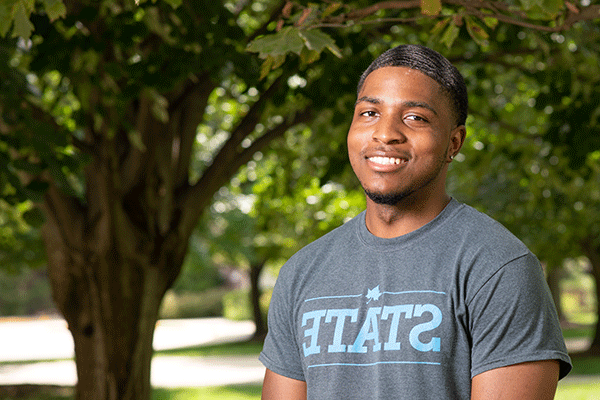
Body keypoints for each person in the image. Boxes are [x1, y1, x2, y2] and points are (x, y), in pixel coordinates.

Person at [259, 44, 571, 400]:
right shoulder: (302, 272)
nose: (386, 133)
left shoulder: (498, 267)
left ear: (454, 142)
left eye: (415, 118)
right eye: (369, 113)